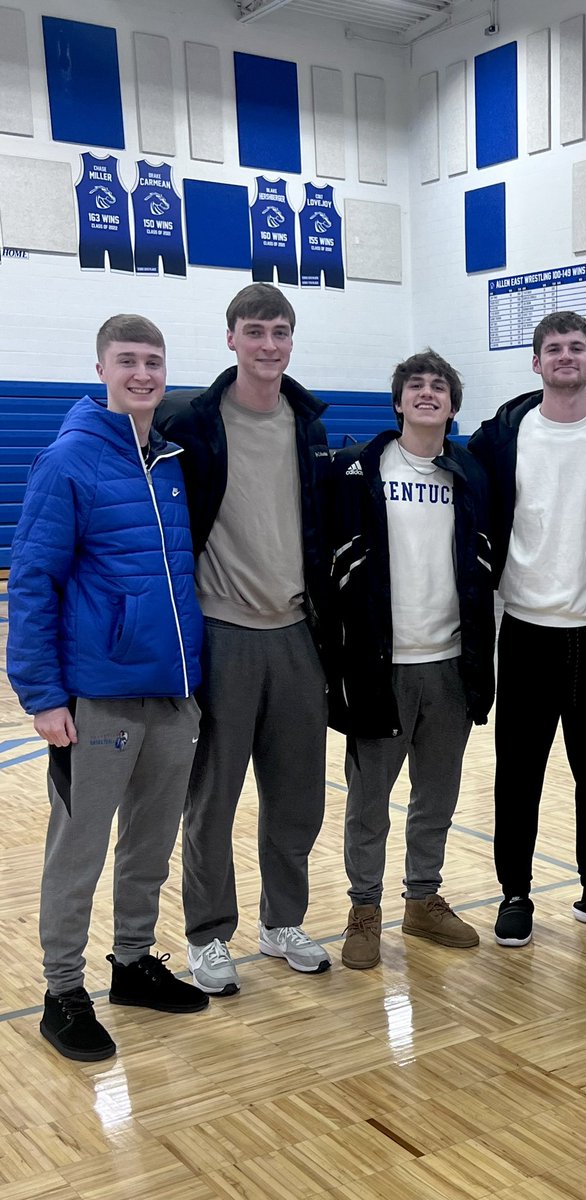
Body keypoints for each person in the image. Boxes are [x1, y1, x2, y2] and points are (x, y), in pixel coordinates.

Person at [7, 314, 207, 1061]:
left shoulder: (173, 459)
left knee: (150, 846)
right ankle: (62, 991)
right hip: (98, 698)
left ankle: (131, 965)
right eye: (128, 361)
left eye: (153, 362)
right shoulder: (69, 462)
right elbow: (32, 582)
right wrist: (42, 695)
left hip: (174, 691)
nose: (143, 375)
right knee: (78, 851)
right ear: (101, 369)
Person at [156, 284, 332, 992]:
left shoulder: (309, 423)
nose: (268, 344)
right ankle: (207, 934)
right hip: (222, 633)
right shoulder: (190, 421)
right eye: (255, 331)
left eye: (280, 332)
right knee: (212, 799)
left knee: (297, 797)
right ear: (231, 338)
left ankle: (281, 921)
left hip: (296, 633)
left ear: (292, 340)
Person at [469, 311, 586, 946]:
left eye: (576, 347)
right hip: (524, 634)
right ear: (536, 363)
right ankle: (515, 893)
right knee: (519, 775)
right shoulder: (503, 439)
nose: (565, 356)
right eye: (553, 349)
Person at [325, 350, 495, 968]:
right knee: (369, 799)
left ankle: (422, 899)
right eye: (415, 386)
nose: (428, 393)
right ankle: (364, 907)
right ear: (397, 402)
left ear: (453, 405)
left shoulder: (470, 472)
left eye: (440, 387)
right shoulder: (358, 468)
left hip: (450, 660)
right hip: (380, 664)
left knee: (437, 796)